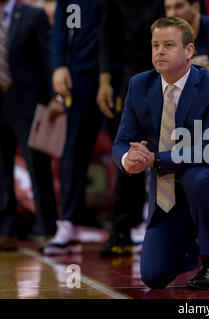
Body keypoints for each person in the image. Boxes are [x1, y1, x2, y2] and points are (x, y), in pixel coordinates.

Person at [112, 17, 209, 290]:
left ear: (189, 51)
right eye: (155, 45)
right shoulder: (139, 85)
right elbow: (122, 141)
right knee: (153, 277)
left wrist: (156, 159)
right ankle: (187, 238)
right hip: (169, 194)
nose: (159, 51)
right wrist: (130, 159)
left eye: (168, 45)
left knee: (196, 176)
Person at [97, 0, 165, 256]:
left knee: (168, 148)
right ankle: (123, 228)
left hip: (168, 71)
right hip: (132, 73)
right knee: (130, 148)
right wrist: (104, 81)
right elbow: (107, 33)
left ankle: (168, 226)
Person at [42, 0, 104, 255]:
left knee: (131, 143)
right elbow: (61, 29)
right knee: (73, 149)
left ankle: (132, 223)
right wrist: (58, 66)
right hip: (81, 73)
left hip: (120, 71)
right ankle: (68, 223)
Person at [0, 0, 58, 250]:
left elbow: (48, 58)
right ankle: (6, 232)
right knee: (1, 170)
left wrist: (55, 98)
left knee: (38, 166)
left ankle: (48, 230)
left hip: (28, 103)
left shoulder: (33, 15)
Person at [165, 0, 209, 71]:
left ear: (195, 7)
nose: (172, 14)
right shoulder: (167, 38)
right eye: (168, 8)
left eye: (179, 6)